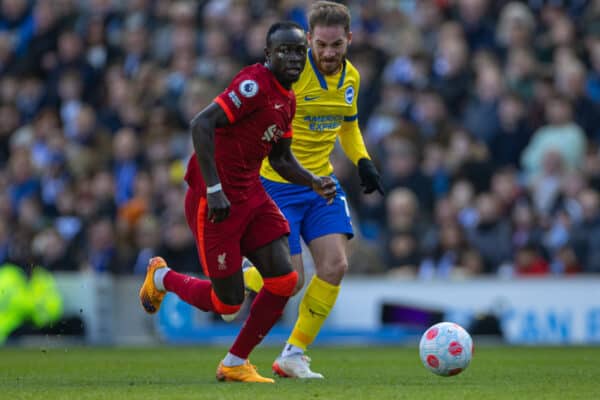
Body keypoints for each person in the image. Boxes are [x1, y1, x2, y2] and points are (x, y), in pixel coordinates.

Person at [138, 21, 336, 384]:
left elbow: (280, 159)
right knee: (227, 305)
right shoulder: (253, 85)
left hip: (251, 193)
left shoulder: (287, 99)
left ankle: (234, 362)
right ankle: (162, 277)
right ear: (268, 54)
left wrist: (313, 182)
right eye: (284, 51)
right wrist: (214, 189)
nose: (293, 57)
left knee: (284, 280)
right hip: (215, 199)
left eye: (298, 51)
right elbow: (201, 124)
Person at [242, 1, 383, 379]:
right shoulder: (290, 73)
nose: (328, 52)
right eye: (321, 44)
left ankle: (294, 353)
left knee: (336, 265)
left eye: (336, 45)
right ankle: (241, 275)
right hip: (276, 185)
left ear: (349, 40)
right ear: (308, 39)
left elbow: (348, 126)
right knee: (291, 282)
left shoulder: (351, 78)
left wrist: (363, 161)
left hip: (320, 184)